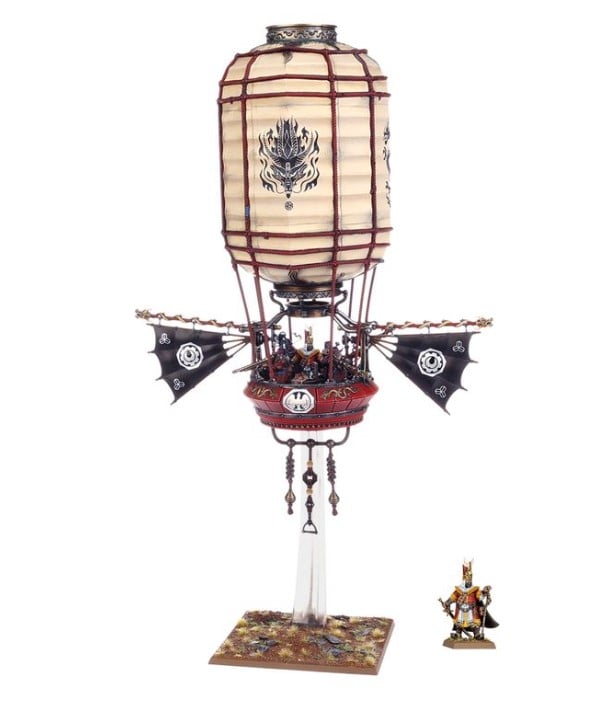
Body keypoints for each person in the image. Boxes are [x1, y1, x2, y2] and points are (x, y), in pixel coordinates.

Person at [440, 560, 498, 640]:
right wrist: (447, 603)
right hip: (460, 610)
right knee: (459, 622)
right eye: (467, 580)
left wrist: (484, 592)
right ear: (464, 580)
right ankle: (458, 634)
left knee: (475, 623)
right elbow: (453, 597)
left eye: (470, 579)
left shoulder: (475, 590)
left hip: (472, 610)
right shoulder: (458, 590)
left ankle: (477, 635)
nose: (468, 581)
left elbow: (480, 597)